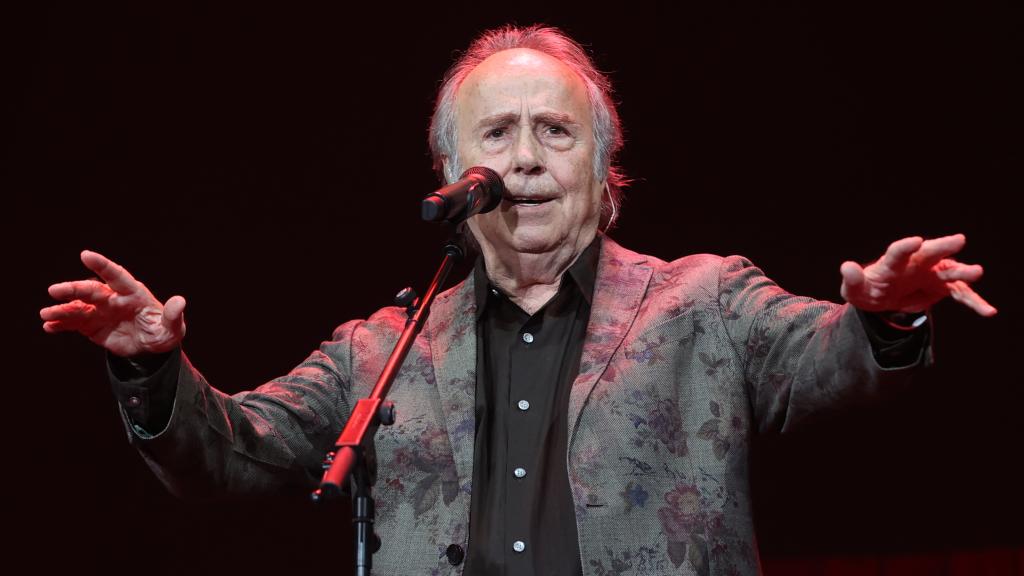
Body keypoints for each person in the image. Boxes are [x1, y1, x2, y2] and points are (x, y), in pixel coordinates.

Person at [40, 25, 995, 576]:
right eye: (498, 133)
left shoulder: (703, 301)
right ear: (456, 174)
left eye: (556, 131)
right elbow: (235, 458)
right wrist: (152, 367)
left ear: (605, 168)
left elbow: (821, 358)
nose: (527, 157)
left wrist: (886, 315)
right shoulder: (382, 347)